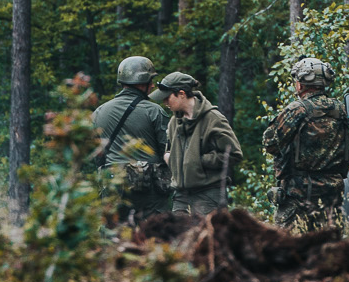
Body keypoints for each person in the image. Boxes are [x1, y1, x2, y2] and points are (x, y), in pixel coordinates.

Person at [262, 57, 349, 232]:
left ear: (300, 84)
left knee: (286, 249)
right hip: (331, 193)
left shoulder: (297, 110)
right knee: (328, 247)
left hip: (299, 195)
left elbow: (270, 144)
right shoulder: (340, 109)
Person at [92, 55, 170, 220]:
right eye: (151, 81)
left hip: (112, 187)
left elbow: (95, 153)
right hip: (149, 193)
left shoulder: (99, 112)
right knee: (154, 235)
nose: (152, 86)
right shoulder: (154, 111)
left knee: (114, 235)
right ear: (144, 82)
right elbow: (168, 150)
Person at [160, 71, 242, 216]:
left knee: (209, 237)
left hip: (208, 196)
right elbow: (170, 150)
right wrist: (170, 158)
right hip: (180, 196)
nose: (165, 102)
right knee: (179, 238)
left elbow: (234, 154)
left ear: (181, 94)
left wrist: (199, 161)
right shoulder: (174, 121)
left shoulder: (213, 119)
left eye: (167, 97)